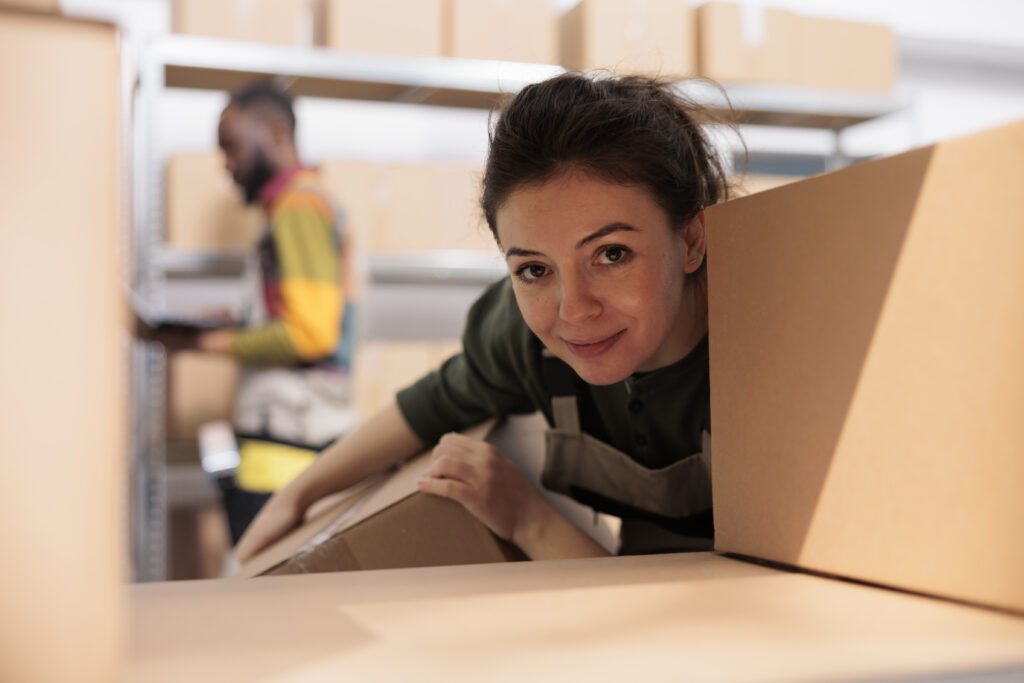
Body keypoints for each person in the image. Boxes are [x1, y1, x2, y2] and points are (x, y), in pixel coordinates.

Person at [235, 72, 730, 563]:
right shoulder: (522, 334)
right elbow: (433, 404)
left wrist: (528, 521)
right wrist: (295, 497)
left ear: (690, 240)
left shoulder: (764, 346)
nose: (573, 309)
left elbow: (741, 603)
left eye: (612, 254)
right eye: (534, 269)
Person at [148, 81, 359, 541]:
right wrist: (239, 322)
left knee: (261, 590)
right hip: (297, 438)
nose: (226, 165)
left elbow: (310, 335)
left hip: (289, 444)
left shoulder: (300, 208)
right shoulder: (301, 205)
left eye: (232, 146)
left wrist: (200, 341)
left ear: (277, 134)